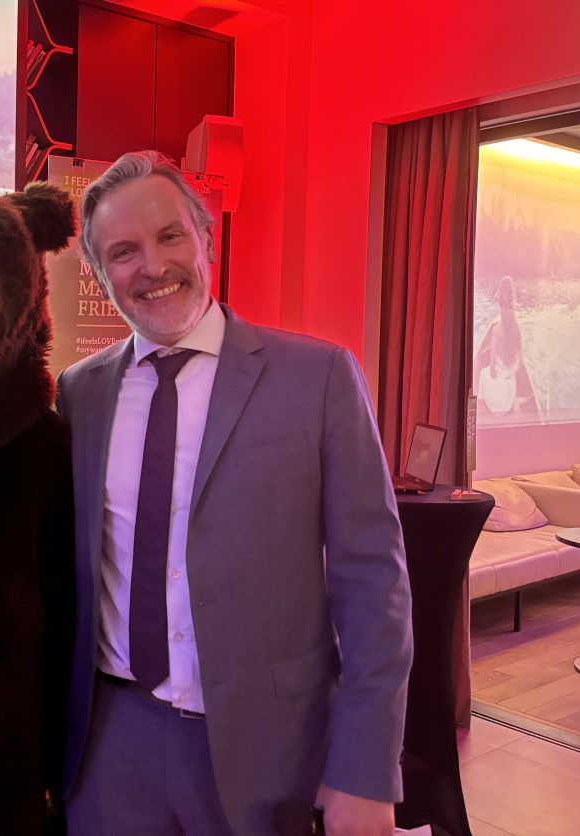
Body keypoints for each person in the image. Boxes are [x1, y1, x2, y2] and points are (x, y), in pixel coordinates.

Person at [56, 150, 413, 836]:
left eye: (168, 237)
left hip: (266, 749)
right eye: (123, 252)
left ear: (204, 239)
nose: (152, 267)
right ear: (100, 276)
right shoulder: (80, 392)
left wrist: (366, 771)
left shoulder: (319, 379)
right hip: (108, 747)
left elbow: (375, 586)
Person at [472, 275, 536, 417]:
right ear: (514, 301)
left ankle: (478, 412)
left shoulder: (495, 327)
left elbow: (493, 369)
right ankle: (518, 402)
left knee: (482, 372)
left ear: (499, 299)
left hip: (498, 404)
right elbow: (520, 364)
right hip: (509, 395)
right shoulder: (516, 328)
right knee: (509, 375)